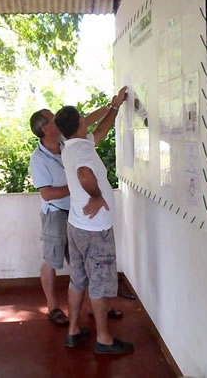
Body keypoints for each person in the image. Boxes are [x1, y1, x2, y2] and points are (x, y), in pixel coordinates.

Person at [54, 86, 133, 355]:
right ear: (79, 123)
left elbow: (101, 131)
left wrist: (115, 107)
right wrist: (97, 195)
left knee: (78, 279)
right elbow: (85, 174)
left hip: (76, 226)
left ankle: (74, 331)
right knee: (98, 284)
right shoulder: (83, 153)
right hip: (95, 229)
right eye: (82, 119)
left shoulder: (73, 145)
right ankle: (104, 340)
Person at [29, 105, 110, 326]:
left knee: (82, 262)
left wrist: (111, 106)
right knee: (51, 261)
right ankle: (52, 307)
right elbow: (47, 194)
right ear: (46, 128)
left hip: (76, 212)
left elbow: (84, 122)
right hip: (55, 213)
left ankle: (94, 306)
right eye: (53, 119)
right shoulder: (38, 159)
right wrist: (75, 187)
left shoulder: (66, 140)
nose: (58, 120)